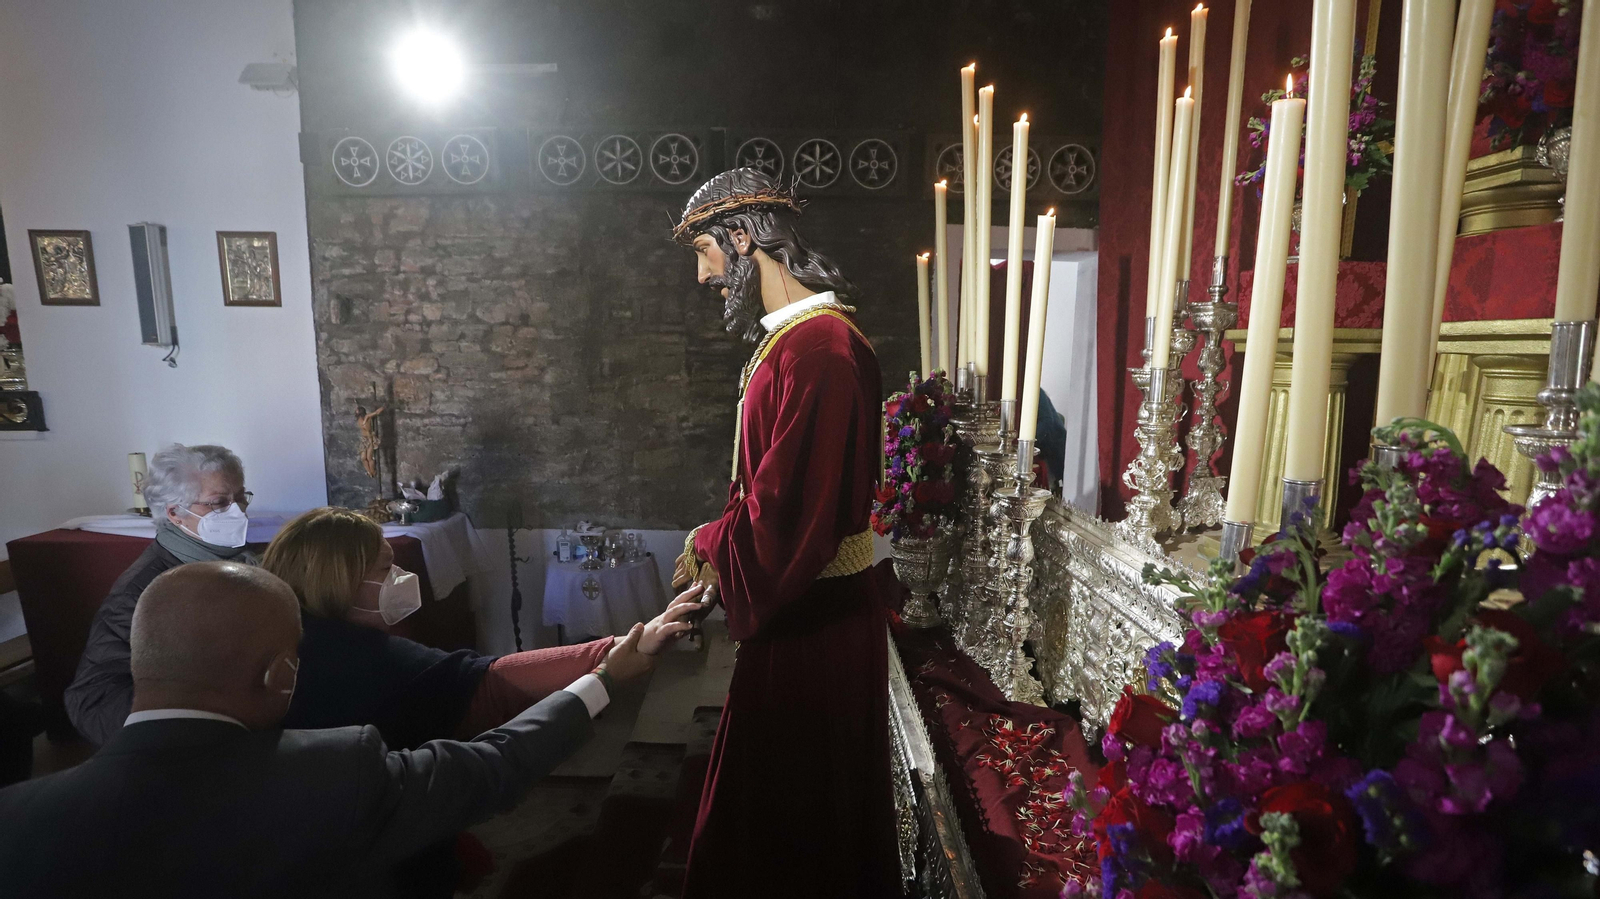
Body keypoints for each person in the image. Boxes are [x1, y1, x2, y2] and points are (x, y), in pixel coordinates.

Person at [0, 561, 639, 898]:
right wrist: (604, 679)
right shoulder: (333, 773)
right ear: (283, 675)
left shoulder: (17, 817)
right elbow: (496, 764)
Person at [670, 167, 897, 897]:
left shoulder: (821, 352)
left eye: (705, 251)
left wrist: (709, 546)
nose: (705, 275)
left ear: (741, 238)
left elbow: (789, 515)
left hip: (814, 625)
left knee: (793, 826)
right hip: (805, 613)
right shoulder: (797, 343)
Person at [261, 507, 695, 747]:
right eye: (386, 567)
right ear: (338, 580)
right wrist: (614, 656)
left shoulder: (267, 642)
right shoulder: (367, 659)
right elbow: (487, 686)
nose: (401, 579)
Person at [67, 443, 254, 744]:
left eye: (241, 497)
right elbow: (93, 699)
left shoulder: (240, 561)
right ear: (174, 512)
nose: (238, 511)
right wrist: (190, 727)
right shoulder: (143, 589)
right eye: (219, 502)